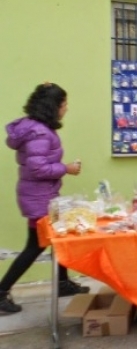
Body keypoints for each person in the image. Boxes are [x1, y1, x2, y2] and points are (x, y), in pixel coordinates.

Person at [0, 83, 89, 314]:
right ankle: (1, 292)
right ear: (53, 106)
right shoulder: (39, 132)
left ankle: (62, 283)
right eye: (64, 104)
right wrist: (66, 168)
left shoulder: (34, 128)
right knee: (35, 246)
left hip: (41, 195)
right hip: (38, 198)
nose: (66, 108)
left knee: (57, 238)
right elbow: (37, 168)